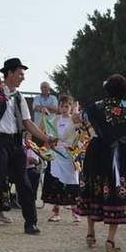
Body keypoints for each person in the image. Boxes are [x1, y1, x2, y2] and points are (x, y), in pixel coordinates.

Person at [0, 42, 54, 235]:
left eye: (23, 74)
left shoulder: (19, 97)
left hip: (15, 144)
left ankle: (30, 223)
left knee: (24, 183)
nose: (23, 77)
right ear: (8, 73)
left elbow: (28, 123)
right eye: (20, 73)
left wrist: (46, 138)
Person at [78, 74, 126, 252]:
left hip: (96, 152)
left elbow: (78, 119)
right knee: (116, 192)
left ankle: (90, 232)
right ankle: (110, 240)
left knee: (94, 190)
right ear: (125, 91)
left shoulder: (95, 107)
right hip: (121, 155)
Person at [41, 95, 82, 223]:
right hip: (57, 153)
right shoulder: (55, 119)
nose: (64, 109)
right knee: (56, 182)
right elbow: (48, 130)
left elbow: (80, 134)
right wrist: (45, 115)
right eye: (62, 106)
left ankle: (75, 213)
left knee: (72, 182)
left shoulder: (74, 121)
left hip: (70, 154)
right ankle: (56, 212)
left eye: (66, 106)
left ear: (70, 107)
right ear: (59, 107)